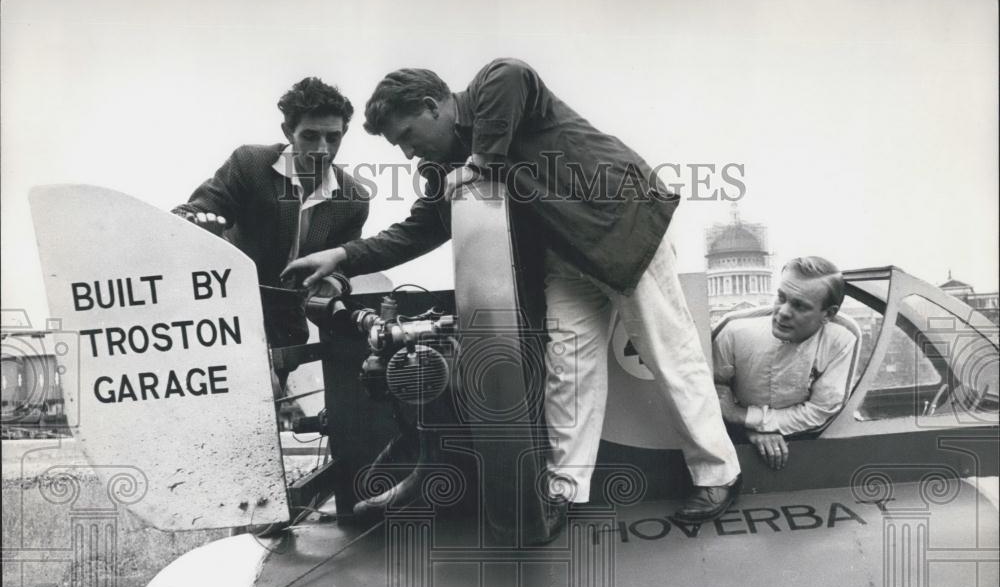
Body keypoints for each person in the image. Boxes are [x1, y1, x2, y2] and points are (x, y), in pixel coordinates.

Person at [282, 58, 741, 534]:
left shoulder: (489, 91)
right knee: (568, 368)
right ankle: (566, 489)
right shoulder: (443, 169)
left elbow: (512, 72)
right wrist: (343, 255)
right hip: (566, 258)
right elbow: (419, 229)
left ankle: (718, 473)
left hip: (621, 229)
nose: (406, 152)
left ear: (432, 106)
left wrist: (481, 162)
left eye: (406, 134)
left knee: (669, 352)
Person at [173, 77, 369, 387]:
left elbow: (344, 264)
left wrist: (333, 282)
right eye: (310, 136)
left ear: (344, 132)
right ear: (288, 132)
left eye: (333, 137)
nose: (322, 149)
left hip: (286, 328)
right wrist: (202, 227)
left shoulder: (354, 198)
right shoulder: (250, 163)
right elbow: (190, 212)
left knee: (271, 402)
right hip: (224, 314)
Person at [714, 257, 856, 470]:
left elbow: (820, 411)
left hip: (808, 444)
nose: (782, 312)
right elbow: (711, 392)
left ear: (828, 314)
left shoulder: (843, 338)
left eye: (800, 306)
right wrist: (749, 430)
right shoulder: (733, 329)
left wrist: (745, 417)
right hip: (734, 443)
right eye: (781, 297)